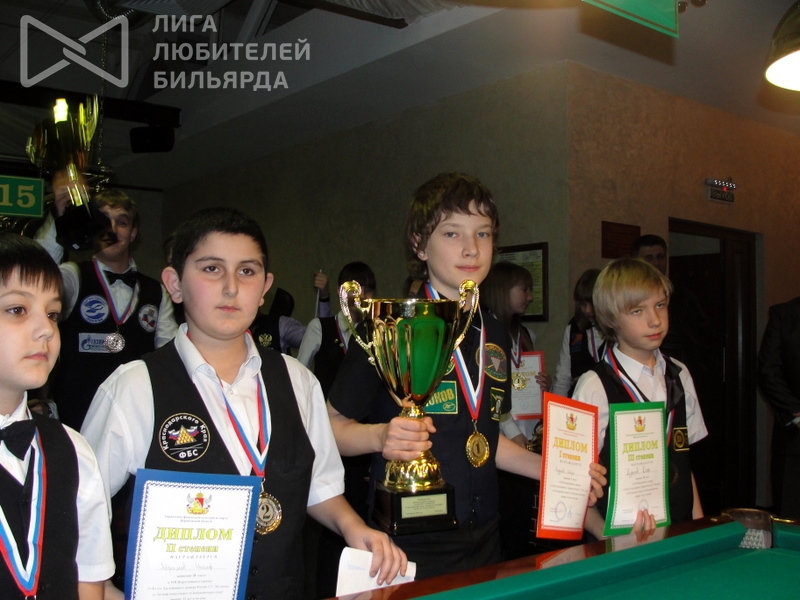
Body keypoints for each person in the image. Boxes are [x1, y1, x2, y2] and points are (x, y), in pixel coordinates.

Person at [80, 207, 406, 598]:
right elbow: (79, 516)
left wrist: (355, 528)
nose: (231, 287)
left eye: (247, 271)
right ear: (174, 284)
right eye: (211, 269)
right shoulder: (133, 388)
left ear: (265, 286)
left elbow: (319, 485)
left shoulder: (298, 381)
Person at [327, 172, 606, 579]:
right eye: (452, 233)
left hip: (486, 535)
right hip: (407, 545)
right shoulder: (390, 324)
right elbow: (329, 427)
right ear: (419, 244)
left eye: (483, 233)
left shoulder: (493, 331)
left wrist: (556, 469)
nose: (471, 248)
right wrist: (379, 436)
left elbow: (486, 439)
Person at [0, 233, 113, 599]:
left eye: (52, 314)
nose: (46, 329)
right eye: (17, 310)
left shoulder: (73, 449)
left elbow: (89, 581)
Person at [572, 257, 708, 539]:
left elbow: (684, 464)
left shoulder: (679, 374)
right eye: (637, 310)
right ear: (610, 319)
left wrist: (698, 525)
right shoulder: (595, 386)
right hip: (620, 540)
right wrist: (606, 536)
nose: (655, 320)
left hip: (678, 531)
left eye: (660, 305)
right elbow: (574, 484)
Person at [34, 188, 178, 431]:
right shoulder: (73, 275)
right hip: (74, 418)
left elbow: (170, 356)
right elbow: (36, 274)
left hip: (134, 419)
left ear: (133, 233)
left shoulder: (156, 291)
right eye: (104, 221)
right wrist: (61, 218)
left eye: (121, 222)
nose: (112, 229)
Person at [297, 261, 376, 598]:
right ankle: (328, 589)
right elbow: (300, 372)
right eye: (353, 292)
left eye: (367, 291)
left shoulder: (378, 330)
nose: (361, 298)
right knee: (330, 519)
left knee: (360, 515)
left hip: (359, 436)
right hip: (326, 431)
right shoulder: (322, 326)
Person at [481, 260, 551, 444]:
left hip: (528, 427)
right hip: (501, 435)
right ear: (503, 291)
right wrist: (512, 432)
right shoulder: (486, 335)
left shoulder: (526, 334)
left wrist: (543, 384)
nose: (530, 297)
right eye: (524, 290)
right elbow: (491, 391)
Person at [757, 297, 800, 520]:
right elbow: (767, 372)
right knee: (791, 520)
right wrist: (797, 413)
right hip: (794, 441)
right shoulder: (784, 314)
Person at [552, 268, 606, 398]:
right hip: (580, 402)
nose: (587, 310)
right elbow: (562, 378)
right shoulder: (573, 329)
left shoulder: (619, 329)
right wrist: (556, 408)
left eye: (592, 303)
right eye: (583, 304)